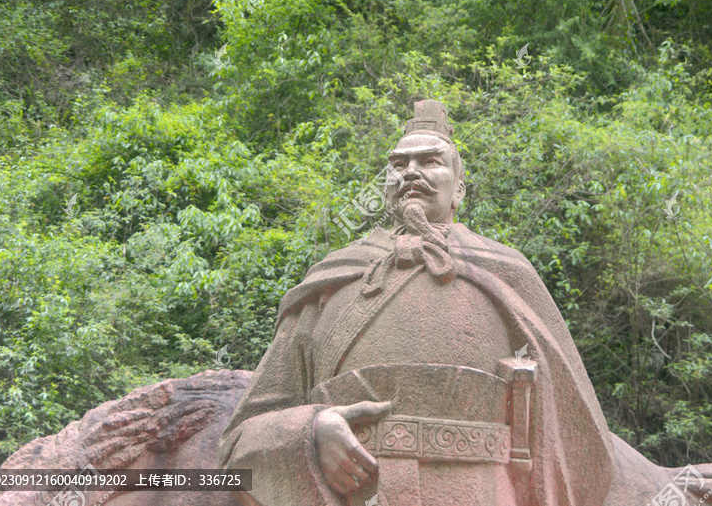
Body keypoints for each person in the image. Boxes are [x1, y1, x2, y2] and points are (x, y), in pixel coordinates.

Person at [217, 100, 618, 506]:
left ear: (459, 188)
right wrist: (312, 430)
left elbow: (578, 437)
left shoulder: (507, 273)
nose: (410, 172)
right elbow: (239, 439)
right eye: (398, 164)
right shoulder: (331, 281)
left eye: (430, 161)